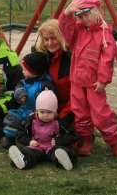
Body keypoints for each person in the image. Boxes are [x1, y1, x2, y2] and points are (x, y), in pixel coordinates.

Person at [59, 0, 117, 158]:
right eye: (80, 16)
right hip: (77, 80)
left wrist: (103, 80)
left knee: (100, 113)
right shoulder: (78, 31)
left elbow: (107, 59)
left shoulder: (104, 34)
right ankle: (86, 139)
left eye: (86, 15)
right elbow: (65, 31)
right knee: (80, 111)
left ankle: (114, 142)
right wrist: (66, 13)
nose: (83, 19)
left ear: (96, 12)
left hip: (94, 83)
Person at [8, 90, 78, 171]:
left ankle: (65, 160)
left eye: (49, 112)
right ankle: (22, 160)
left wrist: (59, 140)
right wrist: (29, 141)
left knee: (60, 152)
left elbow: (72, 135)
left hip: (52, 148)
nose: (45, 115)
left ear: (55, 113)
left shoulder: (59, 123)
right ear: (37, 111)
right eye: (42, 112)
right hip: (36, 146)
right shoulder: (30, 122)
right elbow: (20, 134)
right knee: (28, 153)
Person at [33, 19, 75, 148]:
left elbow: (76, 93)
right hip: (48, 107)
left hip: (70, 107)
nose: (49, 43)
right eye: (46, 39)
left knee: (66, 132)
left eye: (53, 38)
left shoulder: (71, 58)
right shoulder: (42, 58)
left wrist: (62, 115)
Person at [1, 52, 53, 147]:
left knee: (30, 125)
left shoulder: (45, 84)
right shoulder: (23, 82)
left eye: (25, 69)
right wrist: (21, 95)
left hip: (37, 113)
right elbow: (18, 88)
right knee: (12, 118)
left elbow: (49, 99)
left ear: (33, 71)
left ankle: (26, 141)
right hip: (23, 109)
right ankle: (10, 138)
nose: (22, 71)